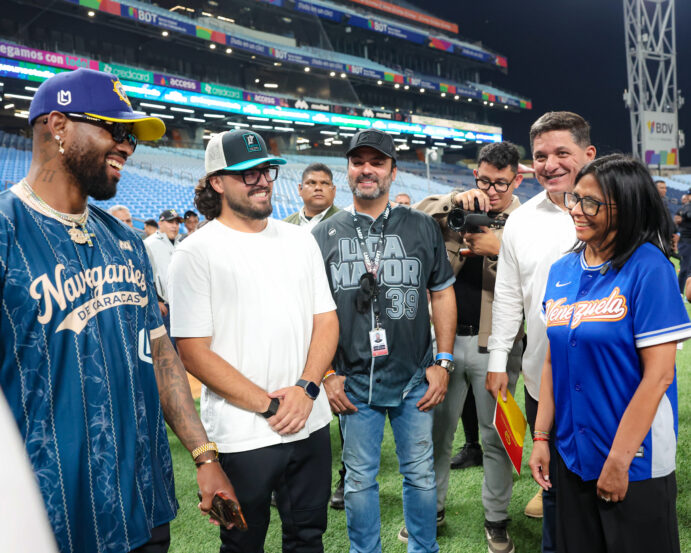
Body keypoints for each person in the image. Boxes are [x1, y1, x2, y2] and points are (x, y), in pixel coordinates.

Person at [0, 67, 237, 553]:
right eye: (114, 129)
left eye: (132, 135)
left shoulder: (125, 241)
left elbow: (162, 355)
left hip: (143, 502)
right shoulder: (6, 231)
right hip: (48, 514)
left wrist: (204, 455)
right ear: (59, 126)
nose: (128, 146)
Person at [168, 129, 339, 553]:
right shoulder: (195, 252)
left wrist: (306, 389)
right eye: (247, 173)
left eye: (266, 170)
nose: (262, 181)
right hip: (243, 432)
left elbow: (326, 320)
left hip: (310, 420)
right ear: (216, 182)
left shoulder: (300, 239)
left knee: (309, 537)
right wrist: (271, 405)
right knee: (242, 544)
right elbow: (193, 352)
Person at [530, 154, 691, 553]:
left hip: (636, 461)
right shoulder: (561, 270)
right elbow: (551, 361)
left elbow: (659, 376)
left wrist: (620, 461)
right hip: (572, 455)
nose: (576, 210)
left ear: (627, 207)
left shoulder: (650, 267)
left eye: (591, 203)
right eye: (575, 198)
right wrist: (541, 437)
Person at [312, 129, 457, 553]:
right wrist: (326, 372)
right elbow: (310, 312)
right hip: (353, 380)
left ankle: (423, 549)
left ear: (393, 171)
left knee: (420, 475)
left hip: (414, 376)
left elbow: (442, 292)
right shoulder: (322, 234)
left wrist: (443, 361)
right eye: (358, 162)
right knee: (358, 479)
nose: (367, 170)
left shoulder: (422, 226)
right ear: (348, 170)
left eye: (377, 162)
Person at [409, 141, 525, 553]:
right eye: (485, 181)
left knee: (496, 438)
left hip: (498, 346)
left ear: (517, 180)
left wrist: (501, 246)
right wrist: (455, 201)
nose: (492, 191)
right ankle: (432, 511)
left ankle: (496, 519)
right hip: (444, 342)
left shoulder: (525, 222)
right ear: (476, 175)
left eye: (501, 183)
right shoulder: (456, 208)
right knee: (436, 433)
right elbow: (413, 216)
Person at [487, 112, 596, 549]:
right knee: (552, 481)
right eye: (540, 156)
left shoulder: (620, 213)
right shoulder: (521, 221)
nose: (550, 165)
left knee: (607, 485)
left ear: (588, 154)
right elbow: (508, 297)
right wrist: (498, 360)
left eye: (561, 153)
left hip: (606, 378)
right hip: (541, 377)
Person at [144, 209, 182, 335]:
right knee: (166, 344)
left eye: (177, 223)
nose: (174, 226)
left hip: (181, 304)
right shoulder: (149, 243)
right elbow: (146, 274)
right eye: (170, 222)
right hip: (163, 305)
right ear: (160, 223)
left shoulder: (181, 244)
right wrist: (156, 300)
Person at [284, 162, 340, 229]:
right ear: (300, 189)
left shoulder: (347, 223)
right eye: (312, 183)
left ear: (334, 190)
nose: (318, 188)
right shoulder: (285, 225)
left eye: (324, 183)